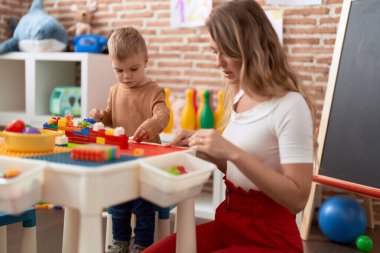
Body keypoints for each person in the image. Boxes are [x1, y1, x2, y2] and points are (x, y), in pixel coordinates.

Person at [145, 1, 316, 253]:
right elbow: (240, 172)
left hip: (271, 238)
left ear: (250, 49)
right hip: (229, 223)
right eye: (214, 51)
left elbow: (298, 197)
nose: (218, 62)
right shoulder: (240, 97)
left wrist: (232, 151)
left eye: (226, 52)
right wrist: (204, 147)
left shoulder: (291, 105)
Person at [89, 27, 170, 253]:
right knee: (118, 204)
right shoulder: (115, 90)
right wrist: (101, 116)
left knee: (144, 207)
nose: (126, 76)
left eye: (133, 69)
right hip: (121, 158)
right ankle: (119, 242)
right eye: (119, 70)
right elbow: (111, 115)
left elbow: (163, 115)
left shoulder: (154, 90)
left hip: (147, 160)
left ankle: (142, 245)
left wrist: (151, 125)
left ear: (146, 61)